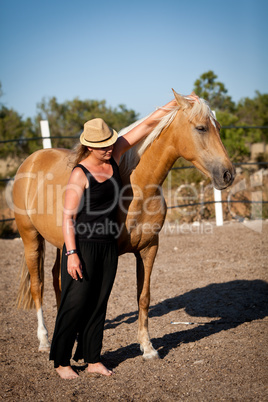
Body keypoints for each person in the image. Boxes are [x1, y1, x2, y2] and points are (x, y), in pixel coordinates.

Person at [49, 99, 176, 379]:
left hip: (108, 245)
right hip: (82, 245)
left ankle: (93, 358)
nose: (110, 147)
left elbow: (146, 125)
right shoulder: (79, 174)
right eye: (103, 145)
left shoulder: (114, 157)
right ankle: (61, 362)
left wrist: (176, 104)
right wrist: (70, 254)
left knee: (99, 303)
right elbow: (67, 218)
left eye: (111, 142)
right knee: (75, 303)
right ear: (89, 146)